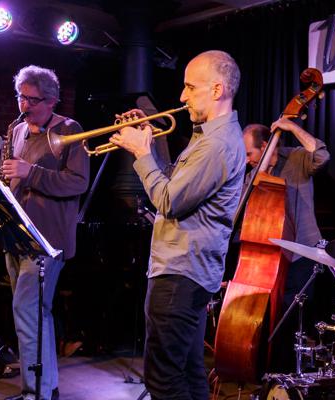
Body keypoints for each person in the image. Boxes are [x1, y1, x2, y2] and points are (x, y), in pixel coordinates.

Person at [109, 50, 245, 400]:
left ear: (216, 90)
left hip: (180, 274)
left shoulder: (215, 145)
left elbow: (168, 200)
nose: (182, 97)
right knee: (188, 374)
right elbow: (177, 184)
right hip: (189, 273)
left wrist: (140, 154)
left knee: (164, 381)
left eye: (189, 87)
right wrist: (151, 139)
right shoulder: (208, 138)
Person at [1, 65, 90, 400]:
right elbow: (13, 174)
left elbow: (78, 182)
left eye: (32, 100)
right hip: (17, 233)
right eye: (20, 97)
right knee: (35, 313)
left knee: (27, 311)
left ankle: (33, 392)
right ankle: (44, 388)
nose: (24, 106)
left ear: (51, 101)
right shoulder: (16, 128)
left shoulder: (70, 129)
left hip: (47, 238)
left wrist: (30, 172)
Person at [242, 119, 330, 371]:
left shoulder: (296, 159)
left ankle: (291, 378)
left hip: (303, 252)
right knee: (269, 319)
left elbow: (322, 156)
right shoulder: (252, 174)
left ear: (267, 144)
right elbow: (250, 200)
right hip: (270, 258)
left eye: (250, 153)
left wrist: (291, 128)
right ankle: (268, 375)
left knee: (292, 321)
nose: (247, 159)